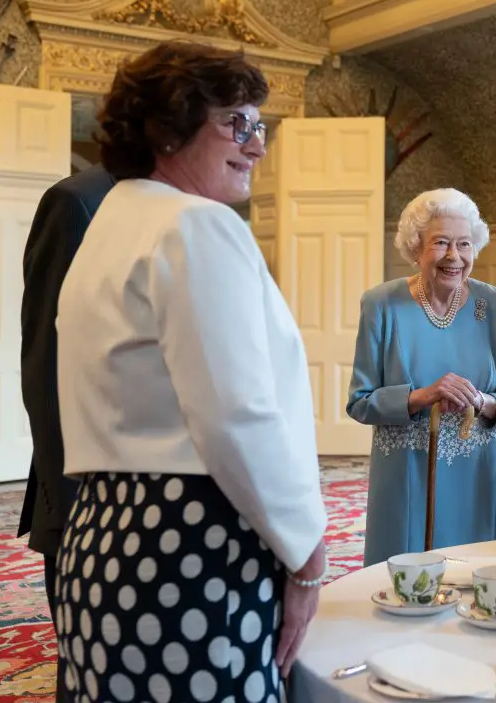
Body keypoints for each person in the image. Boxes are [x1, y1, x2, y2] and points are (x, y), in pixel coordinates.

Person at [54, 41, 328, 703]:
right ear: (169, 129)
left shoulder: (110, 224)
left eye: (258, 126)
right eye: (237, 123)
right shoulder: (195, 225)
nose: (257, 146)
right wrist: (308, 552)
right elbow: (235, 414)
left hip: (103, 536)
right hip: (194, 544)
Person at [347, 188, 496, 565]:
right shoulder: (381, 304)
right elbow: (360, 402)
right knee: (407, 586)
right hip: (406, 476)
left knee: (476, 584)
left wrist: (481, 401)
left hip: (477, 476)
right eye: (441, 242)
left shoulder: (492, 304)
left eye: (464, 244)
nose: (454, 256)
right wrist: (421, 396)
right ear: (416, 248)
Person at [17, 165, 115, 703]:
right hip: (89, 494)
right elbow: (46, 367)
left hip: (163, 505)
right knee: (87, 667)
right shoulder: (77, 203)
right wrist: (79, 506)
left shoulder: (185, 209)